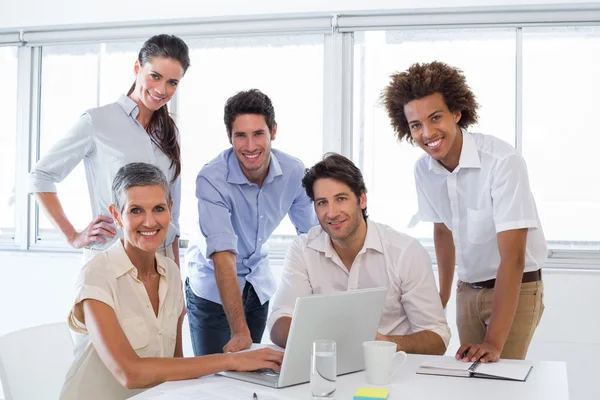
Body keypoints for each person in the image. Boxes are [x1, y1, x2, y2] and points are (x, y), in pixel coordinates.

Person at [59, 163, 283, 400]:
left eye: (158, 208)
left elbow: (175, 365)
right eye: (135, 210)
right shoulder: (97, 275)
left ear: (170, 210)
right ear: (117, 215)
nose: (149, 222)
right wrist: (230, 361)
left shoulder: (171, 272)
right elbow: (129, 373)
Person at [382, 61, 546, 362]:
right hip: (467, 289)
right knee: (469, 383)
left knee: (496, 377)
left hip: (517, 287)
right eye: (416, 125)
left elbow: (513, 256)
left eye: (435, 118)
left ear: (456, 113)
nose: (427, 132)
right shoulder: (424, 170)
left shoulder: (502, 161)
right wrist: (439, 301)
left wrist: (495, 343)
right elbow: (443, 233)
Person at [28, 34, 189, 264]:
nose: (162, 89)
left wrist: (175, 277)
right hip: (112, 259)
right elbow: (41, 176)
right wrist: (73, 236)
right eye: (155, 76)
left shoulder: (170, 133)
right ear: (137, 68)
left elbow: (173, 217)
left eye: (172, 82)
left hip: (161, 261)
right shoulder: (97, 121)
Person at [268, 153, 450, 355]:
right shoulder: (302, 249)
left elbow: (437, 337)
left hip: (391, 370)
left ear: (362, 199)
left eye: (341, 199)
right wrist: (331, 342)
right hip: (328, 368)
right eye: (322, 203)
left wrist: (386, 343)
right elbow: (279, 323)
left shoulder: (405, 252)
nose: (332, 213)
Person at [185, 89, 318, 356]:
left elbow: (312, 237)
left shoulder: (293, 172)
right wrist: (239, 332)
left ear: (273, 131)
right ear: (229, 137)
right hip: (211, 290)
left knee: (251, 383)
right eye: (240, 136)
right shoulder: (212, 179)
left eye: (258, 134)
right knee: (215, 379)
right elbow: (223, 257)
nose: (250, 146)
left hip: (257, 287)